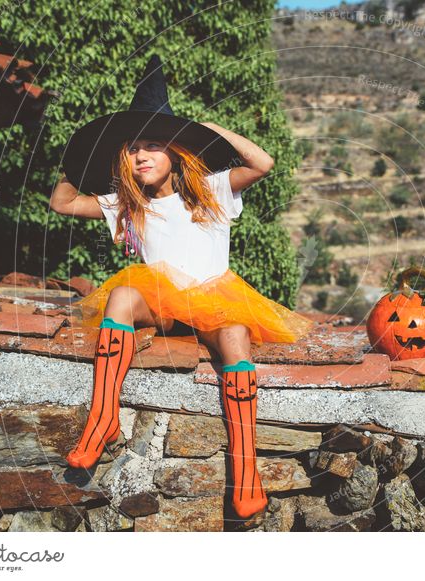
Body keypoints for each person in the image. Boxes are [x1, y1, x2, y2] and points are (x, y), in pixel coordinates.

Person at [50, 55, 315, 520]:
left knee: (235, 334)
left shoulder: (213, 189)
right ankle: (103, 418)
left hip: (215, 295)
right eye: (132, 150)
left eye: (152, 146)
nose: (140, 156)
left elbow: (263, 162)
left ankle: (246, 468)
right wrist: (78, 163)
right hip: (162, 302)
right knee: (123, 294)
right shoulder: (127, 206)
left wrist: (213, 128)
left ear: (177, 151)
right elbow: (62, 204)